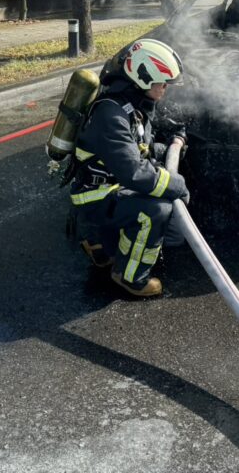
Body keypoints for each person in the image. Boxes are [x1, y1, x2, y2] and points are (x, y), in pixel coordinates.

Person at [71, 39, 189, 297]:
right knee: (156, 211)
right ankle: (131, 276)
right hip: (95, 194)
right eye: (162, 83)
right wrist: (175, 184)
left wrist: (168, 146)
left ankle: (98, 244)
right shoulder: (110, 115)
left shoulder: (128, 105)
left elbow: (136, 148)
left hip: (108, 185)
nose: (165, 89)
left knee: (152, 197)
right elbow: (133, 171)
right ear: (142, 78)